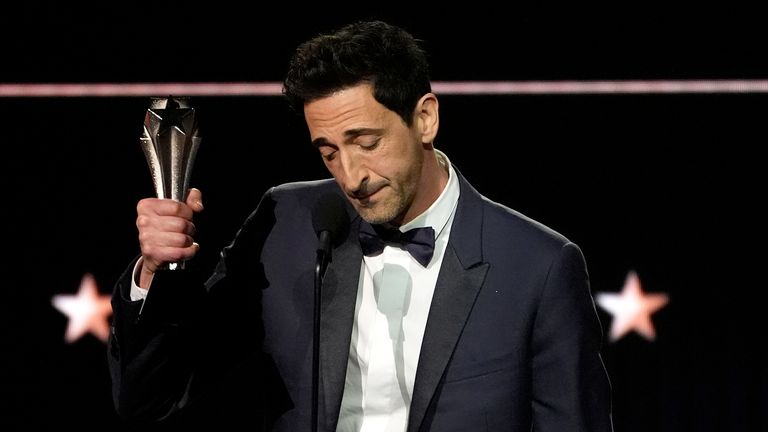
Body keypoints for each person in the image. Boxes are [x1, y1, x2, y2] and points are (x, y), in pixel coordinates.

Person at [108, 20, 613, 432]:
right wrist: (156, 271)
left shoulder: (539, 267)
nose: (350, 176)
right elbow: (151, 398)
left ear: (425, 119)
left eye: (366, 142)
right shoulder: (288, 225)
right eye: (329, 152)